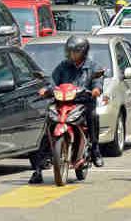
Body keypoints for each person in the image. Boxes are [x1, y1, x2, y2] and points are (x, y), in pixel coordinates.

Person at [29, 35, 104, 184]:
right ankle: (38, 169)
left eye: (74, 52)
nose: (71, 55)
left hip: (82, 103)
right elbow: (53, 80)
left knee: (93, 115)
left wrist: (95, 89)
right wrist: (46, 89)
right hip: (61, 103)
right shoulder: (63, 66)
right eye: (69, 52)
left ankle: (95, 149)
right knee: (48, 126)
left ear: (83, 52)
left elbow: (97, 81)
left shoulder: (93, 67)